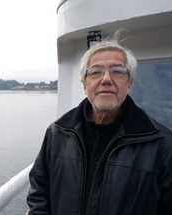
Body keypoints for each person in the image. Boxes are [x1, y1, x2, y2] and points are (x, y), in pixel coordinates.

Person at [26, 40, 172, 215]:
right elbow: (39, 193)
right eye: (95, 72)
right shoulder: (57, 133)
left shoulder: (161, 144)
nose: (106, 79)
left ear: (130, 83)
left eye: (117, 71)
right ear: (84, 83)